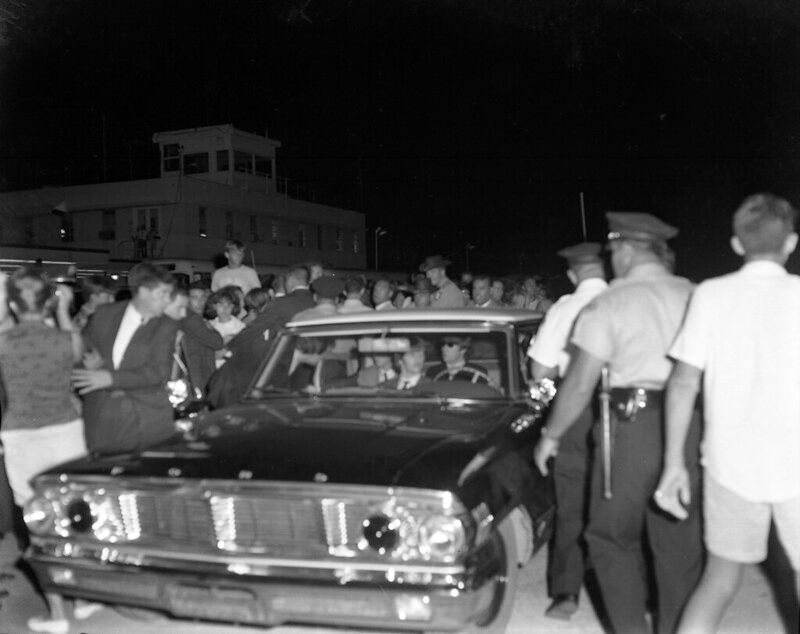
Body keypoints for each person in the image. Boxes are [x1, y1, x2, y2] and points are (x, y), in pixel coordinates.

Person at [533, 212, 703, 634]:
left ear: (624, 250)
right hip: (692, 425)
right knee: (678, 542)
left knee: (610, 537)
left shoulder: (608, 303)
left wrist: (551, 436)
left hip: (629, 428)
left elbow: (578, 384)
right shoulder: (699, 295)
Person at [654, 193, 800, 632]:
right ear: (791, 242)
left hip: (728, 462)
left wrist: (673, 463)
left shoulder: (711, 295)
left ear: (737, 245)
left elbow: (681, 383)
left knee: (719, 580)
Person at [526, 242, 608, 620]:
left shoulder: (564, 307)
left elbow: (540, 371)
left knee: (571, 500)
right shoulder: (626, 299)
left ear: (573, 274)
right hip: (626, 413)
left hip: (574, 413)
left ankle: (565, 594)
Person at [72, 262, 178, 454]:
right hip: (103, 418)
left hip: (145, 420)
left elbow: (157, 372)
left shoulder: (166, 325)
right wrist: (86, 363)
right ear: (144, 292)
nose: (167, 301)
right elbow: (82, 350)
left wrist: (109, 377)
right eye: (162, 294)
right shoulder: (105, 314)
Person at [207, 264, 314, 408]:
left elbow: (255, 329)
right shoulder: (314, 302)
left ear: (290, 279)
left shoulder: (282, 303)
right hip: (309, 361)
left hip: (282, 362)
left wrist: (229, 345)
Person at [180, 282, 224, 396]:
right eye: (194, 298)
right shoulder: (191, 320)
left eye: (203, 297)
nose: (200, 302)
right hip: (197, 378)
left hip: (199, 376)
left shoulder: (193, 318)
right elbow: (218, 342)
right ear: (186, 300)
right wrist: (210, 327)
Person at [426, 336, 490, 384]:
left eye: (450, 345)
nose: (444, 349)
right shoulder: (433, 371)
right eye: (442, 344)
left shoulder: (478, 372)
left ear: (463, 350)